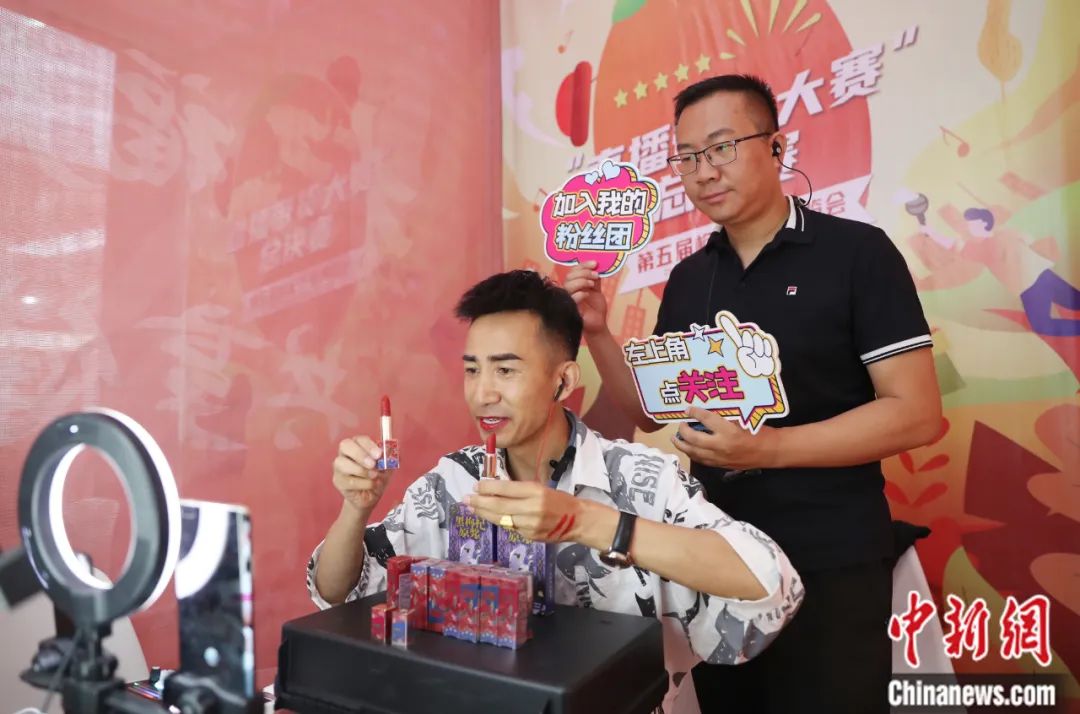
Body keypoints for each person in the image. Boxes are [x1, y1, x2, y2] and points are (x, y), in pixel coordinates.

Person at [566, 74, 943, 713]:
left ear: (776, 145)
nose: (704, 171)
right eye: (687, 157)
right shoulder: (690, 278)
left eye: (722, 147)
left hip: (832, 555)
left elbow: (917, 415)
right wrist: (598, 332)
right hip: (718, 558)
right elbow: (650, 410)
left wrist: (769, 450)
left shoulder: (857, 253)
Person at [307, 270, 803, 714]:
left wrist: (585, 521)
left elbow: (771, 583)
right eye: (472, 369)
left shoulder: (640, 475)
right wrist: (355, 509)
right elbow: (337, 592)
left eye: (505, 370)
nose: (483, 393)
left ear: (563, 381)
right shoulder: (453, 482)